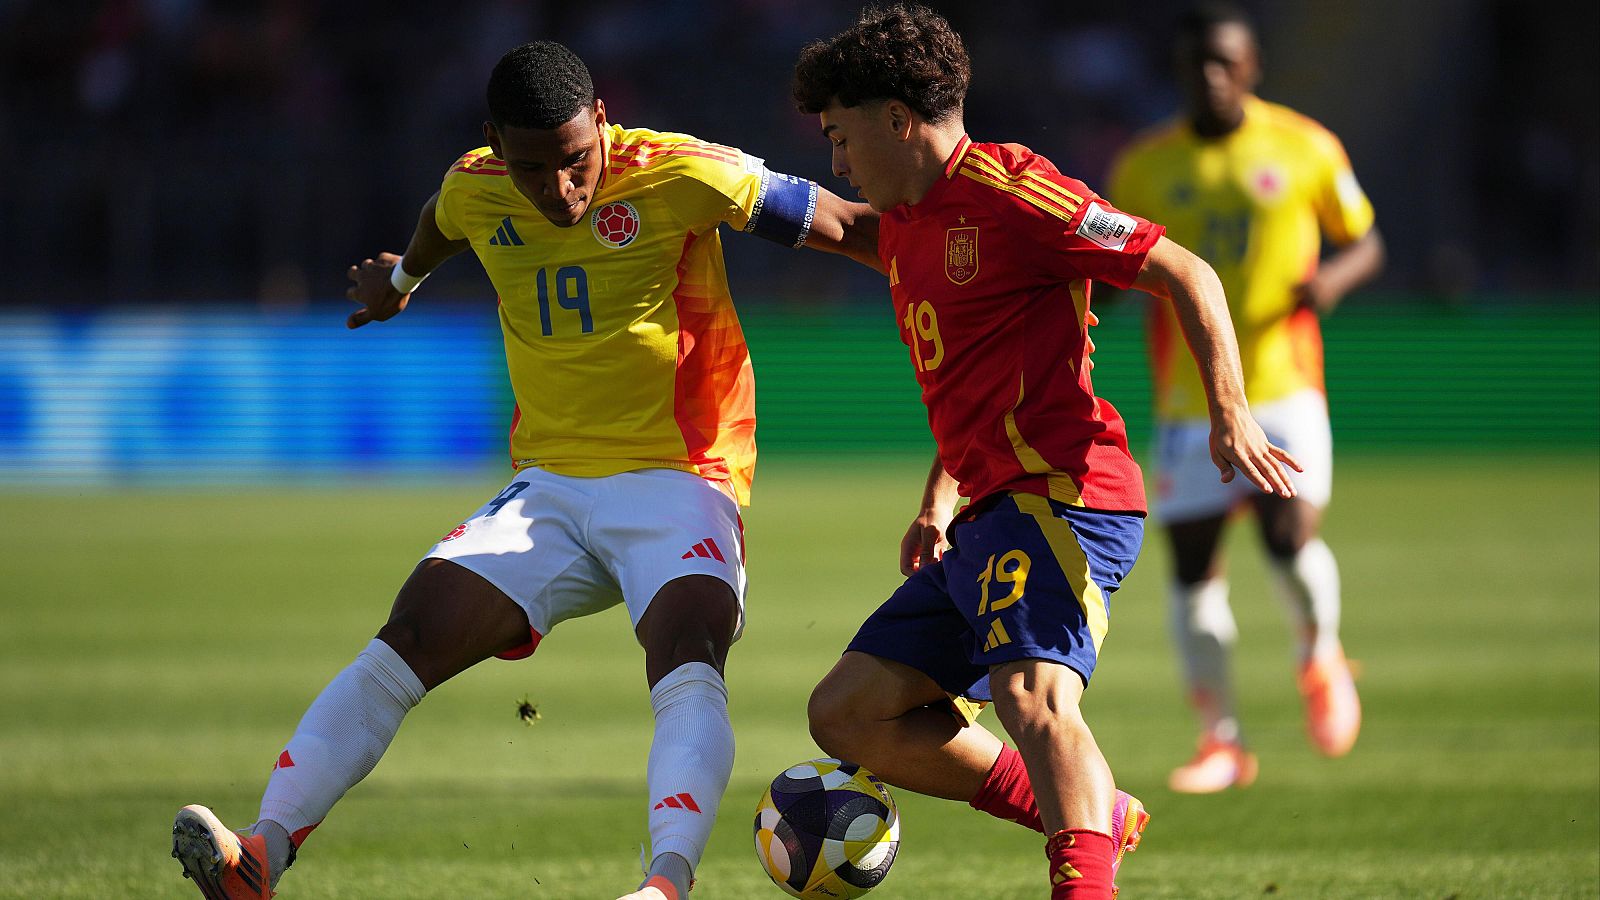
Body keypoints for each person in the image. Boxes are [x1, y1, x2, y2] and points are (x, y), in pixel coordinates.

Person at [170, 40, 878, 900]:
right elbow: (442, 217)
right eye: (532, 169)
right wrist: (401, 279)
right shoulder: (477, 186)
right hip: (549, 487)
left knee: (687, 651)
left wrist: (964, 273)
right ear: (496, 146)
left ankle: (664, 887)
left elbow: (850, 227)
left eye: (576, 161)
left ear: (602, 123)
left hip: (684, 476)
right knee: (413, 631)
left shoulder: (683, 173)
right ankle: (262, 855)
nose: (560, 189)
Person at [792, 6, 1300, 898]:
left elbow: (1186, 270)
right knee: (846, 713)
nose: (837, 163)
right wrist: (938, 500)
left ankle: (1083, 880)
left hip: (1067, 494)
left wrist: (1231, 412)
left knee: (1032, 698)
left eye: (840, 137)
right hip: (988, 512)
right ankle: (1093, 810)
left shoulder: (1015, 191)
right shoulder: (907, 221)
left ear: (898, 121)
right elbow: (975, 381)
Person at [1106, 2, 1385, 793]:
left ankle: (1320, 655)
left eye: (1226, 62)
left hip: (1283, 385)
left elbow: (1366, 239)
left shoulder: (1305, 146)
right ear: (1179, 72)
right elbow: (1115, 266)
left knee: (1287, 536)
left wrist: (1331, 281)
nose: (1211, 76)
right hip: (1187, 403)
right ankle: (1221, 740)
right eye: (1197, 63)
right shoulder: (1144, 167)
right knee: (1194, 568)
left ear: (1252, 67)